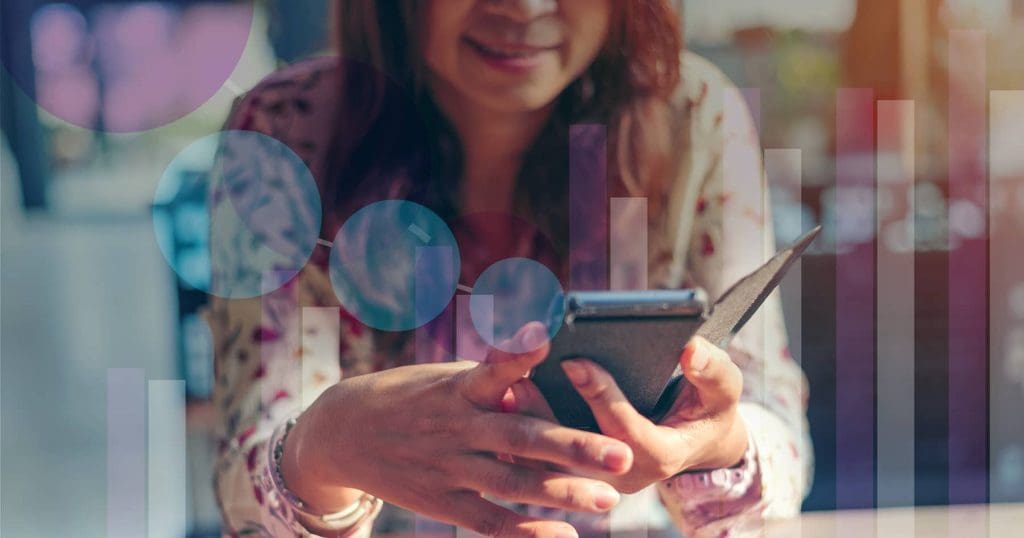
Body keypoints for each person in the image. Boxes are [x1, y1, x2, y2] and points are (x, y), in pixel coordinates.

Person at [205, 1, 811, 536]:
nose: (523, 8)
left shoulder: (695, 119)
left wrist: (718, 444)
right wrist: (319, 447)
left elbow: (777, 440)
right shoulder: (286, 134)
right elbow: (247, 486)